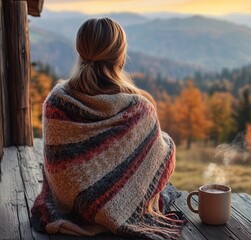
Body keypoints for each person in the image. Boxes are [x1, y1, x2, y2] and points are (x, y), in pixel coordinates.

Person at [31, 18, 185, 240]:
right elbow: (162, 160)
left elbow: (58, 165)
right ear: (120, 56)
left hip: (70, 206)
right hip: (110, 208)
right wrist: (164, 141)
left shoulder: (56, 102)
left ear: (80, 50)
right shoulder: (139, 108)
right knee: (167, 165)